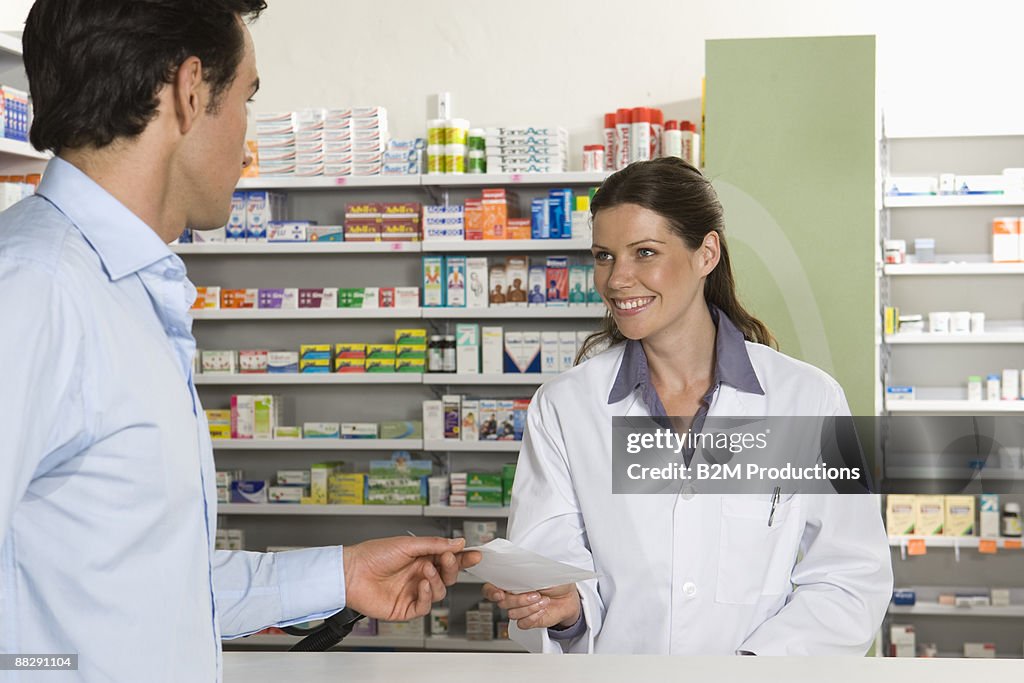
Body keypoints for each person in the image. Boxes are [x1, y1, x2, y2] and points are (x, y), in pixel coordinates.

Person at [0, 2, 477, 681]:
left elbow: (149, 582)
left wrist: (339, 574)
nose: (247, 141)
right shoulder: (31, 290)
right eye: (248, 100)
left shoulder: (127, 290)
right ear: (189, 93)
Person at [484, 157, 892, 655]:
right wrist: (567, 613)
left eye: (645, 252)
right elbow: (551, 571)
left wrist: (749, 668)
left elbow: (852, 579)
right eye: (604, 256)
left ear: (706, 254)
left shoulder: (809, 399)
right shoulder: (565, 408)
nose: (617, 280)